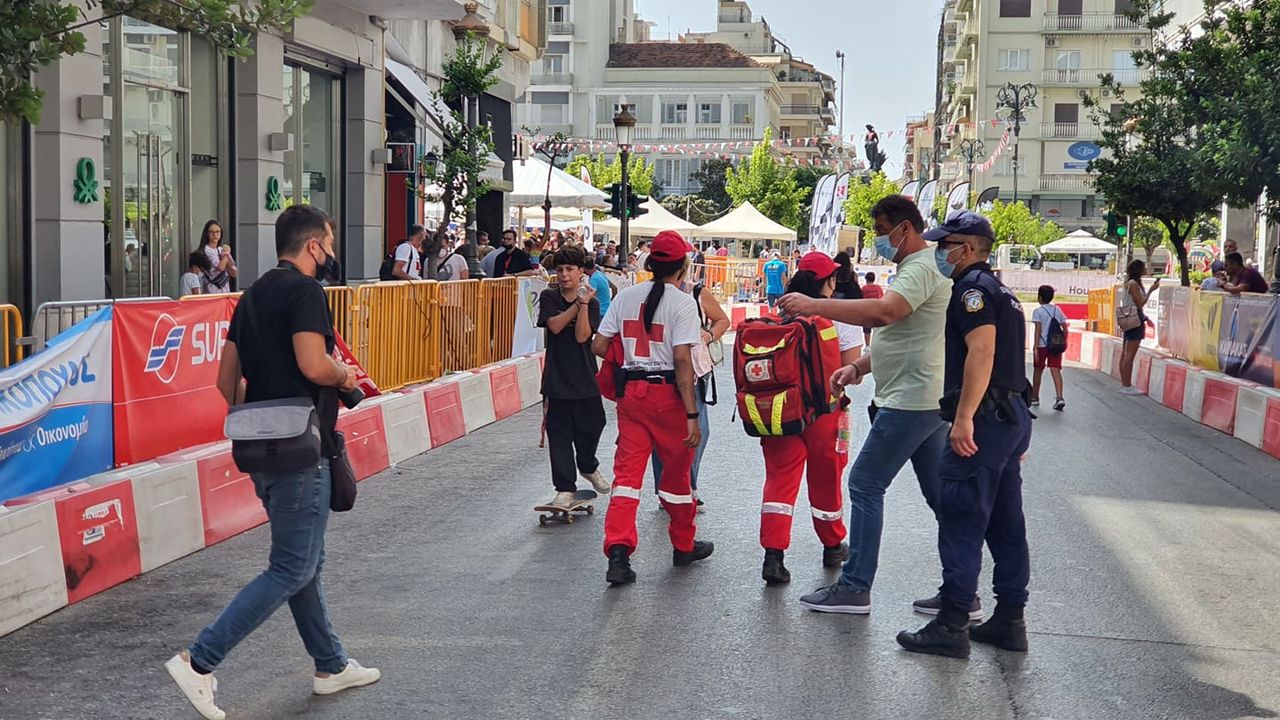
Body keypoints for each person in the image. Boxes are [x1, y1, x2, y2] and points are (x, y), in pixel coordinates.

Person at [165, 205, 379, 720]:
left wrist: (262, 415)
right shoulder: (306, 292)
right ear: (313, 245)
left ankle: (330, 665)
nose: (331, 252)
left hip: (260, 447)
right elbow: (312, 363)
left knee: (304, 562)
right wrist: (345, 377)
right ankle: (200, 662)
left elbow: (225, 383)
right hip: (302, 448)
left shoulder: (253, 293)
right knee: (291, 566)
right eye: (328, 242)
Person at [777, 195, 955, 617]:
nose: (878, 240)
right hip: (923, 396)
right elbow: (910, 337)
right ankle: (960, 589)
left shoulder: (921, 267)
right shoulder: (923, 268)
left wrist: (815, 305)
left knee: (864, 484)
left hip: (910, 400)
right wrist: (858, 366)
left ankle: (855, 587)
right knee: (941, 498)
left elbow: (886, 313)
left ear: (904, 229)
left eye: (880, 231)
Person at [896, 210, 1032, 659]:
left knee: (961, 515)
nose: (940, 252)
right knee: (1005, 522)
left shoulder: (971, 291)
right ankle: (1010, 619)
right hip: (1010, 415)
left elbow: (982, 350)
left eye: (945, 244)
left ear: (967, 248)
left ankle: (953, 622)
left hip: (986, 418)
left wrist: (964, 418)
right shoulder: (1004, 292)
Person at [592, 230, 714, 585]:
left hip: (632, 396)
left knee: (627, 479)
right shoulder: (682, 303)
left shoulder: (626, 297)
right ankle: (683, 544)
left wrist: (630, 361)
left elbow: (600, 345)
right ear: (683, 266)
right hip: (669, 401)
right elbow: (682, 362)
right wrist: (692, 415)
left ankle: (618, 552)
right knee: (676, 479)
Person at [758, 252, 864, 585]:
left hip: (781, 411)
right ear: (828, 282)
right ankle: (833, 545)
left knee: (779, 482)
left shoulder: (782, 311)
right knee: (827, 479)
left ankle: (773, 557)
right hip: (826, 414)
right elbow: (853, 373)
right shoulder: (843, 318)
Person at [649, 252, 731, 511]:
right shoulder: (646, 293)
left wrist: (707, 335)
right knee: (662, 434)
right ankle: (667, 488)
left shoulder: (696, 293)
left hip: (694, 371)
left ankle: (687, 484)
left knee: (699, 430)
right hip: (660, 370)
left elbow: (722, 320)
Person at [537, 245, 612, 508]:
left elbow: (582, 336)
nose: (565, 275)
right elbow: (555, 326)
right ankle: (565, 487)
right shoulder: (549, 296)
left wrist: (583, 304)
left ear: (582, 272)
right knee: (558, 434)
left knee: (594, 425)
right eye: (560, 270)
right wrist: (576, 304)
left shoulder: (592, 302)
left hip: (585, 375)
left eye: (570, 269)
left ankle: (588, 465)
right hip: (557, 377)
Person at [1118, 259, 1158, 395]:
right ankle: (1127, 385)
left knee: (1125, 353)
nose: (1146, 269)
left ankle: (1124, 383)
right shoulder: (1134, 284)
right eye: (1144, 267)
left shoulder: (1128, 283)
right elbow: (1140, 303)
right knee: (1129, 354)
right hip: (1135, 320)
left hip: (1130, 318)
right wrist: (1151, 291)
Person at [1030, 285, 1068, 411]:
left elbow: (1038, 330)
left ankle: (1035, 397)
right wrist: (1063, 341)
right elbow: (1065, 327)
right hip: (1055, 344)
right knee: (1055, 369)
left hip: (1042, 345)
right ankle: (1059, 397)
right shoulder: (1057, 310)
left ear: (1039, 297)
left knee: (1038, 370)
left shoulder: (1038, 311)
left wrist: (1035, 347)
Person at [200, 220, 237, 293]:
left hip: (225, 290)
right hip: (212, 291)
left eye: (217, 232)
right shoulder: (206, 250)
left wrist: (228, 262)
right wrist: (226, 254)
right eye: (211, 232)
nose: (215, 235)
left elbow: (234, 273)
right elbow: (220, 267)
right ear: (207, 234)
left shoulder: (221, 249)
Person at [861, 271, 884, 343]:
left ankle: (867, 345)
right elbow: (882, 298)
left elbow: (861, 299)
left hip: (866, 312)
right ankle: (876, 343)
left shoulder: (864, 288)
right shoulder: (878, 288)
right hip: (877, 311)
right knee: (877, 330)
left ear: (866, 279)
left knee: (867, 331)